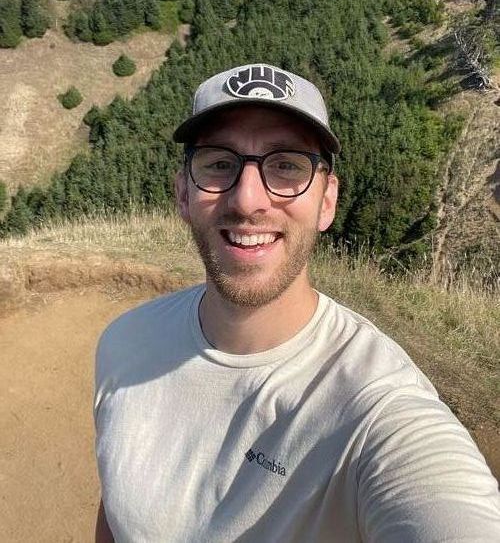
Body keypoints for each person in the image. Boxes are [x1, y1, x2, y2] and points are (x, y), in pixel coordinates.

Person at [94, 63, 500, 542]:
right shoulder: (123, 344)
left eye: (286, 165)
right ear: (183, 192)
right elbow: (119, 506)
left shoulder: (375, 411)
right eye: (219, 163)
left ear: (327, 201)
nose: (247, 200)